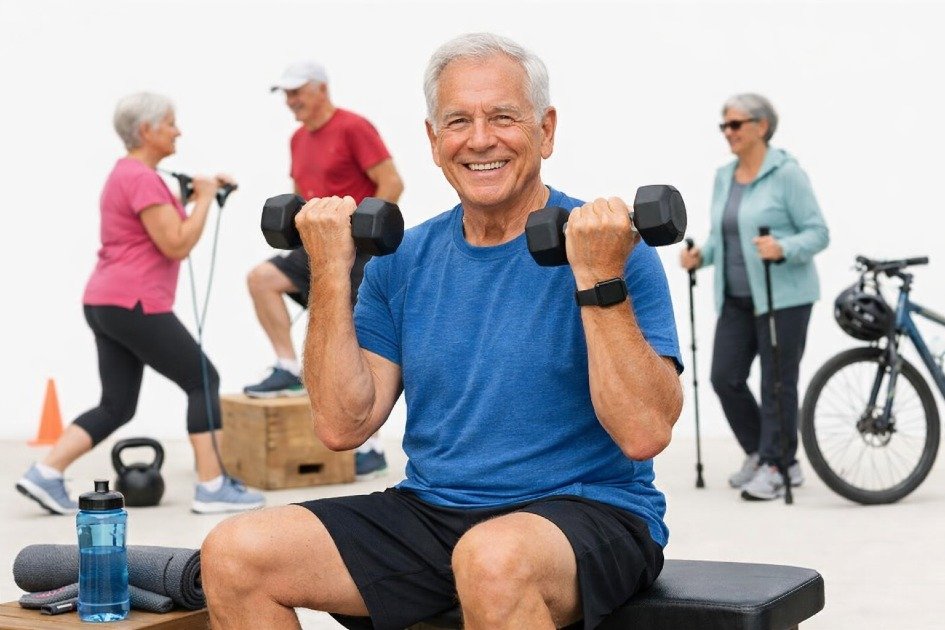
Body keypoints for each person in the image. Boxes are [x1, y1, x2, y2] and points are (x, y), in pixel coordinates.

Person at [201, 33, 683, 630]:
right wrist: (330, 270)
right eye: (458, 121)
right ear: (434, 140)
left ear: (546, 130)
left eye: (503, 117)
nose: (480, 140)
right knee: (234, 554)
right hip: (435, 512)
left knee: (490, 558)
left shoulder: (611, 248)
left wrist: (595, 275)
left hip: (590, 511)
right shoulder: (402, 260)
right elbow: (342, 425)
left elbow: (644, 432)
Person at [15, 92, 264, 515]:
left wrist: (196, 197)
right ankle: (211, 486)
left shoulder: (128, 174)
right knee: (202, 379)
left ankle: (45, 473)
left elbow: (155, 225)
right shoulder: (142, 178)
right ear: (146, 130)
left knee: (117, 405)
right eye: (170, 122)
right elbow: (176, 243)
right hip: (134, 301)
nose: (178, 130)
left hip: (105, 301)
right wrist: (203, 199)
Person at [244, 60, 403, 480]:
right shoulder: (298, 139)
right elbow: (301, 195)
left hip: (358, 248)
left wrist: (361, 228)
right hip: (317, 244)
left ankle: (370, 449)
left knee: (350, 340)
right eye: (287, 95)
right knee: (262, 279)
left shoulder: (354, 127)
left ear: (321, 89)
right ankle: (286, 367)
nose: (292, 102)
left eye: (297, 92)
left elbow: (391, 183)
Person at [680, 93, 829, 501]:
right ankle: (765, 454)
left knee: (777, 384)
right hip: (736, 296)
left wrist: (783, 247)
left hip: (785, 296)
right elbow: (722, 237)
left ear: (761, 126)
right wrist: (701, 257)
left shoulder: (788, 174)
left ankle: (777, 464)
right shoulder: (724, 176)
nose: (728, 132)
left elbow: (818, 232)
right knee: (724, 377)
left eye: (736, 124)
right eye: (724, 126)